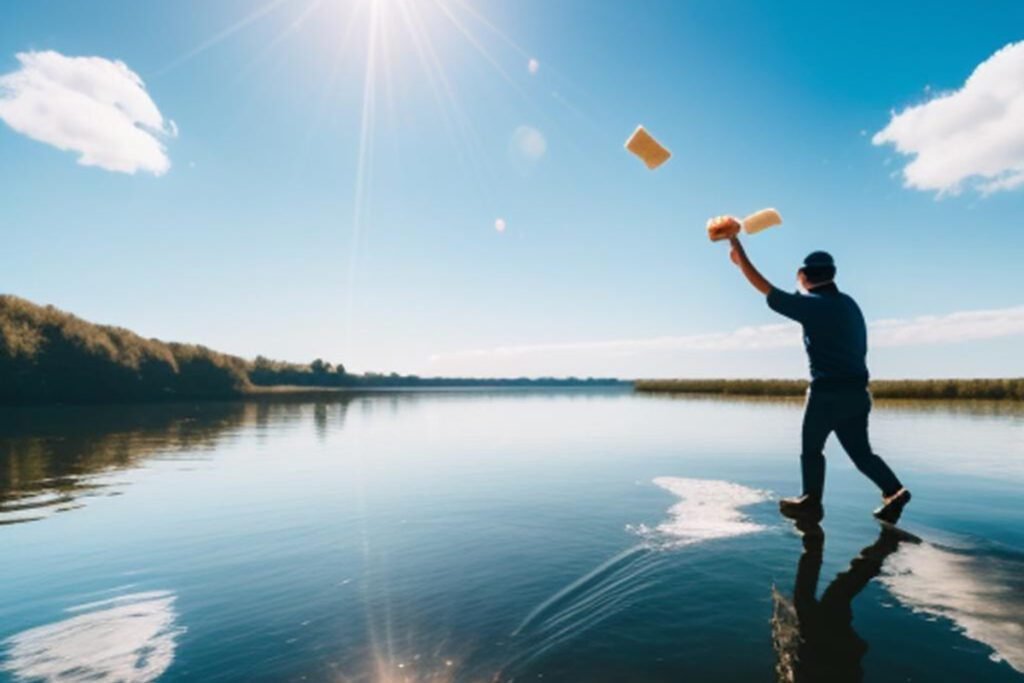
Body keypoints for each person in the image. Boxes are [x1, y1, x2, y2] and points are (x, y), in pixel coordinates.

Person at [709, 215, 911, 524]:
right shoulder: (848, 304)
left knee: (811, 450)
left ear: (803, 276)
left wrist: (737, 249)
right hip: (858, 394)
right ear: (832, 275)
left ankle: (810, 503)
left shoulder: (812, 306)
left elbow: (766, 289)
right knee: (862, 454)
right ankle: (895, 491)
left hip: (826, 394)